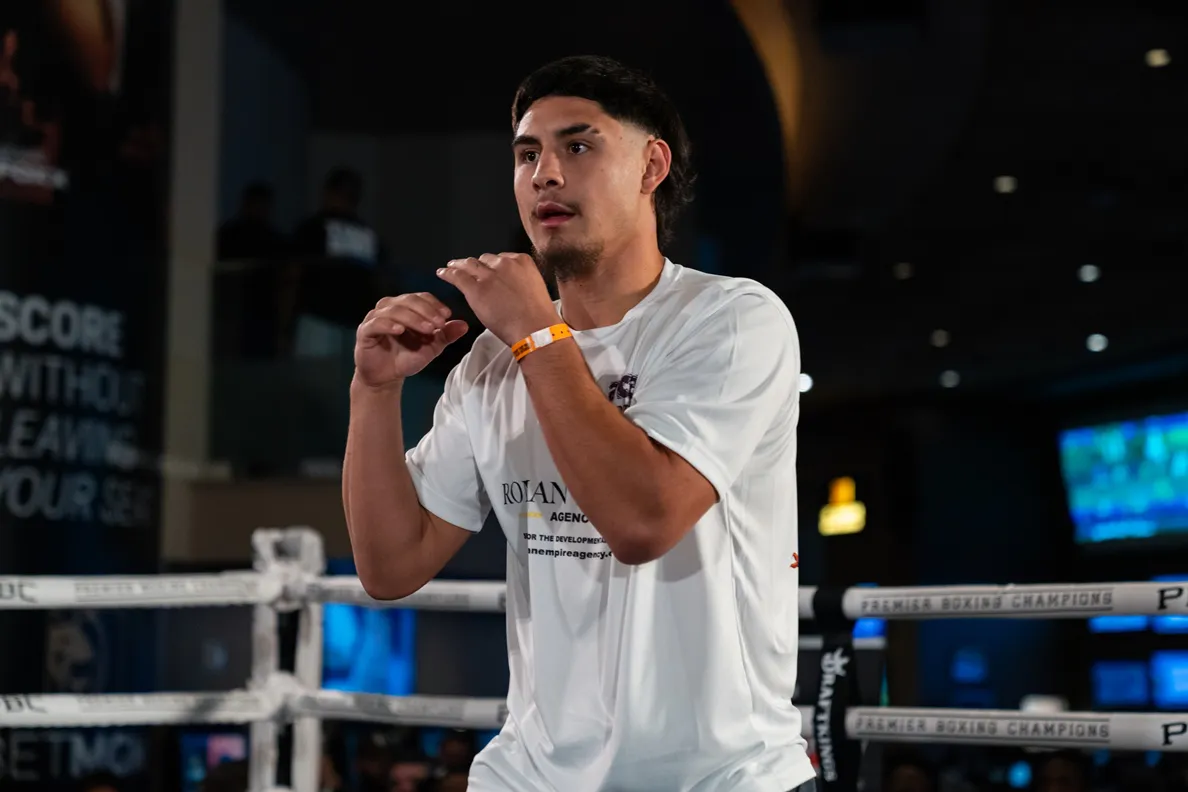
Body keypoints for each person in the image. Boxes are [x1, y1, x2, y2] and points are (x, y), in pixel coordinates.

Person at [343, 54, 809, 792]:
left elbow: (642, 521)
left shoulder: (733, 321)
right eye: (527, 154)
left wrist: (536, 335)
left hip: (719, 779)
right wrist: (372, 395)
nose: (544, 174)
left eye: (578, 146)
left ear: (652, 165)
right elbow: (392, 566)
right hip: (529, 774)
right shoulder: (493, 362)